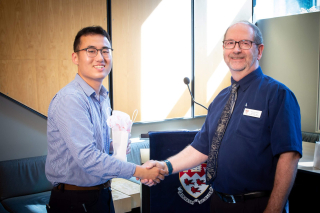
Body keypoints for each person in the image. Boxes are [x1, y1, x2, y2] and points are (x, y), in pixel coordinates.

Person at [142, 21, 302, 213]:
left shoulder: (278, 94)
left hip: (257, 205)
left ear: (259, 51)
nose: (236, 49)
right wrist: (164, 165)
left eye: (244, 43)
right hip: (219, 203)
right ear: (224, 49)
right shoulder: (220, 99)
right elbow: (200, 149)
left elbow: (289, 156)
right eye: (230, 43)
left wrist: (274, 209)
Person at [45, 26, 165, 213]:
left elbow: (93, 144)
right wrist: (139, 171)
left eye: (105, 51)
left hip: (100, 194)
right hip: (74, 201)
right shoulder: (71, 99)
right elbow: (88, 158)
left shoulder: (101, 96)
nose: (100, 58)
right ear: (75, 57)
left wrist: (113, 145)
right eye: (91, 51)